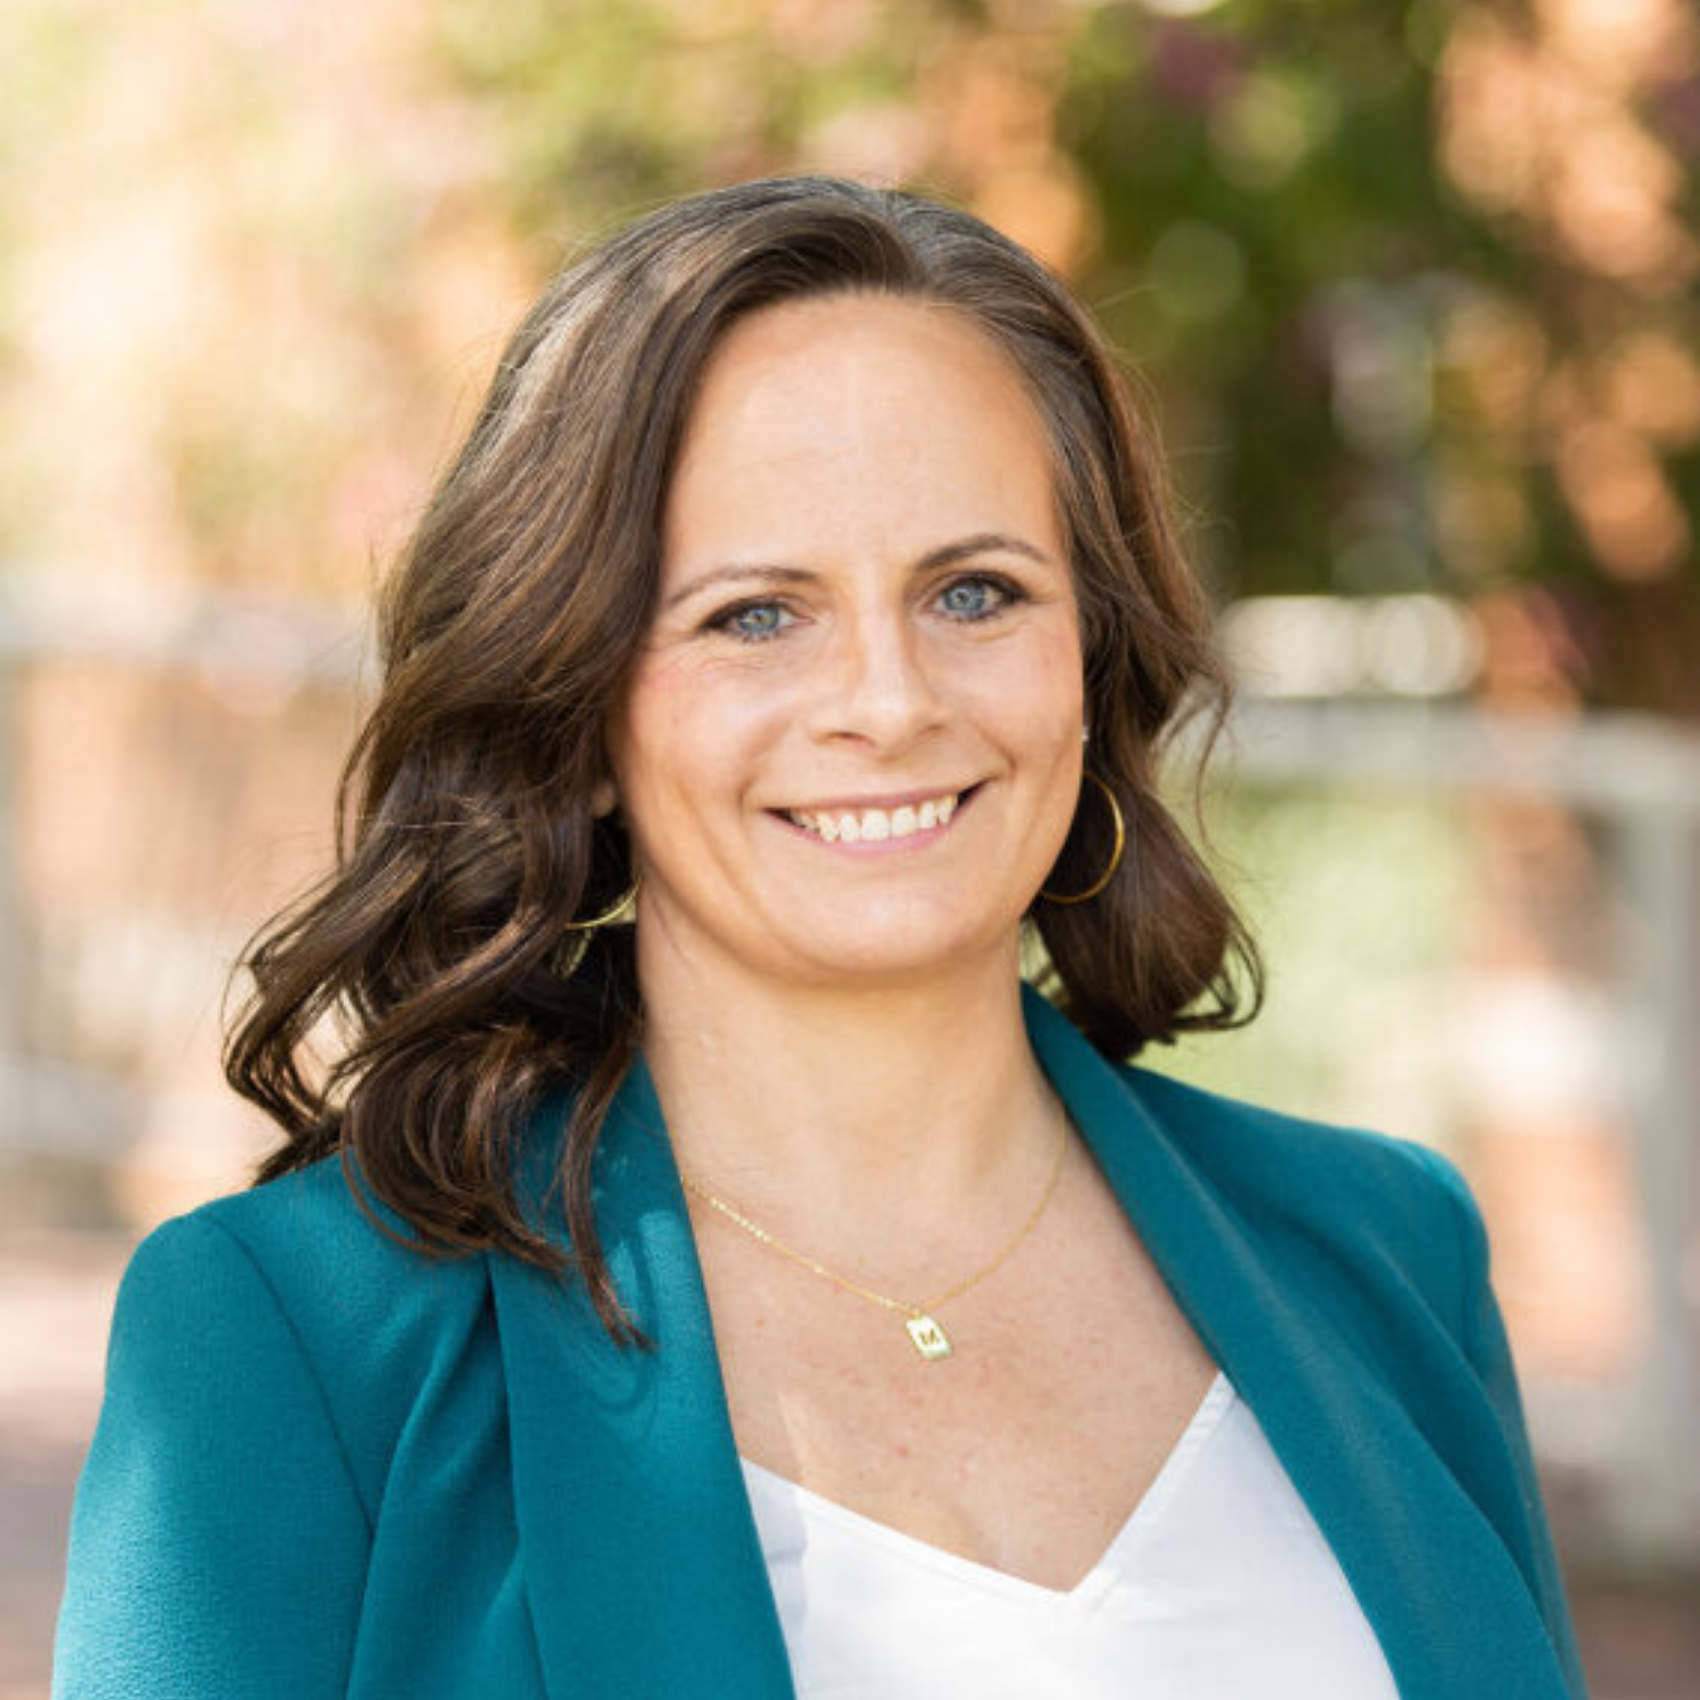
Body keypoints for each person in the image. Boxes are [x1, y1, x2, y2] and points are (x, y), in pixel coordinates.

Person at [55, 176, 1585, 1699]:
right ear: (576, 711)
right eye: (755, 615)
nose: (891, 701)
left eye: (975, 592)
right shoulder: (293, 1340)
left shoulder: (1387, 1255)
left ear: (1089, 657)